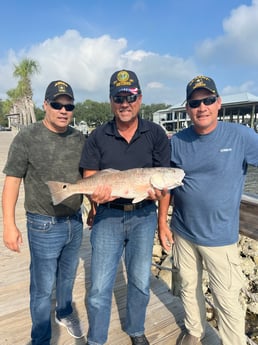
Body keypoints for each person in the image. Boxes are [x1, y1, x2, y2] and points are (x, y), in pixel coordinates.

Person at [158, 75, 258, 345]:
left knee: (227, 298)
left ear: (218, 103)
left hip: (221, 238)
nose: (202, 107)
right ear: (187, 108)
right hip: (183, 232)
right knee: (188, 288)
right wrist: (163, 223)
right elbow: (166, 185)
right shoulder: (176, 141)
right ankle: (194, 331)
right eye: (195, 102)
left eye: (208, 100)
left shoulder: (242, 136)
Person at [79, 69, 171, 345]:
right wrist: (96, 198)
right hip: (108, 216)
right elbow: (88, 177)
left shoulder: (156, 134)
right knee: (99, 287)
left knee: (141, 282)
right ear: (111, 101)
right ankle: (96, 339)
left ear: (140, 98)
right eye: (119, 97)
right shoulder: (97, 136)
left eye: (130, 96)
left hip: (144, 217)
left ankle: (136, 329)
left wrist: (162, 222)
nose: (125, 103)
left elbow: (164, 183)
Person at [2, 80, 86, 345]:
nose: (63, 110)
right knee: (41, 287)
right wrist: (8, 225)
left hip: (75, 219)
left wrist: (94, 208)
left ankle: (64, 312)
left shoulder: (79, 138)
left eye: (69, 105)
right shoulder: (27, 136)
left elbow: (88, 177)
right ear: (45, 105)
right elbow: (13, 180)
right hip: (42, 224)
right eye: (57, 104)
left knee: (68, 276)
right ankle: (40, 338)